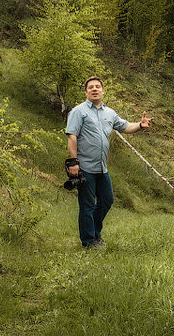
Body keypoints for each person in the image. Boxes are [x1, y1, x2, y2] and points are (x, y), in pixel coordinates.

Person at [65, 76, 152, 249]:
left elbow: (126, 127)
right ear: (86, 92)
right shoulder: (78, 111)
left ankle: (95, 233)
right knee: (87, 206)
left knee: (107, 200)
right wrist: (73, 162)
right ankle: (89, 242)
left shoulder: (110, 113)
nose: (94, 89)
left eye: (98, 87)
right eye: (91, 87)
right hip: (85, 167)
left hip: (102, 168)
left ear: (103, 91)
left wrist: (140, 125)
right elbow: (72, 136)